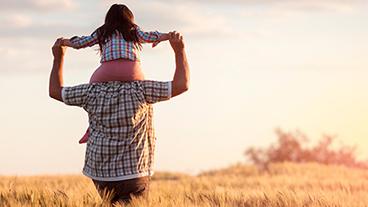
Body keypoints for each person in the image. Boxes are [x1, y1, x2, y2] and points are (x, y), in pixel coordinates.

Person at [49, 32, 189, 204]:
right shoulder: (141, 90)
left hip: (100, 172)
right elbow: (181, 85)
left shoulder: (90, 92)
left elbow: (56, 91)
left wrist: (58, 58)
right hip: (134, 171)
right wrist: (179, 50)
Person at [60, 4, 172, 144]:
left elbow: (82, 42)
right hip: (131, 72)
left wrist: (65, 42)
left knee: (91, 94)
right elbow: (149, 36)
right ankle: (146, 128)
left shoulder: (103, 32)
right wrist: (167, 36)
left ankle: (91, 128)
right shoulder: (133, 30)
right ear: (129, 18)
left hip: (106, 72)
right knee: (145, 99)